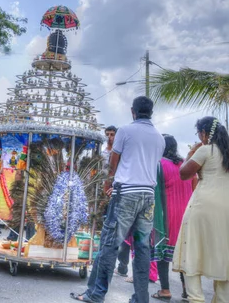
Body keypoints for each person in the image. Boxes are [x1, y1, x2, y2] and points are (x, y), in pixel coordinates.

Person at [71, 96, 165, 303]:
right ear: (151, 113)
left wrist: (108, 183)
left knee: (110, 244)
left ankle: (96, 294)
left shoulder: (125, 131)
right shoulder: (160, 138)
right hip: (148, 196)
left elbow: (114, 161)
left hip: (125, 194)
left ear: (133, 111)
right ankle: (141, 298)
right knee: (142, 247)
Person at [173, 117, 229, 302]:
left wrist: (191, 152)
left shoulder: (206, 150)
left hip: (202, 207)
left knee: (191, 252)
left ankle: (196, 299)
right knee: (223, 255)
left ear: (204, 133)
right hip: (226, 209)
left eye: (199, 134)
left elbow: (183, 174)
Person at [148, 134, 193, 301]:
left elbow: (155, 192)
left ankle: (165, 290)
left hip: (168, 215)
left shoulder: (159, 165)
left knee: (161, 251)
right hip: (188, 214)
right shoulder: (187, 165)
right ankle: (186, 290)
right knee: (184, 253)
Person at [5, 169, 36, 242]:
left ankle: (30, 239)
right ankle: (12, 237)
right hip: (19, 205)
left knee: (30, 220)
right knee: (16, 219)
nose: (16, 176)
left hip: (28, 202)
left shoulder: (28, 184)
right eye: (16, 174)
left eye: (18, 174)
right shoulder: (16, 185)